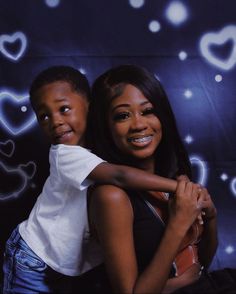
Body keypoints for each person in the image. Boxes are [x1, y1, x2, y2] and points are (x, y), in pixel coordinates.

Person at [2, 65, 190, 294]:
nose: (55, 121)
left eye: (64, 109)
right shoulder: (65, 154)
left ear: (90, 107)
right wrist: (180, 187)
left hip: (61, 265)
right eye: (44, 116)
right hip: (33, 258)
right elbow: (120, 175)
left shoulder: (97, 149)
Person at [78, 64, 234, 293]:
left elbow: (200, 265)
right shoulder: (111, 196)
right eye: (123, 116)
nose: (139, 124)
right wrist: (178, 224)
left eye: (147, 111)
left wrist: (211, 216)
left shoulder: (173, 177)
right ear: (106, 127)